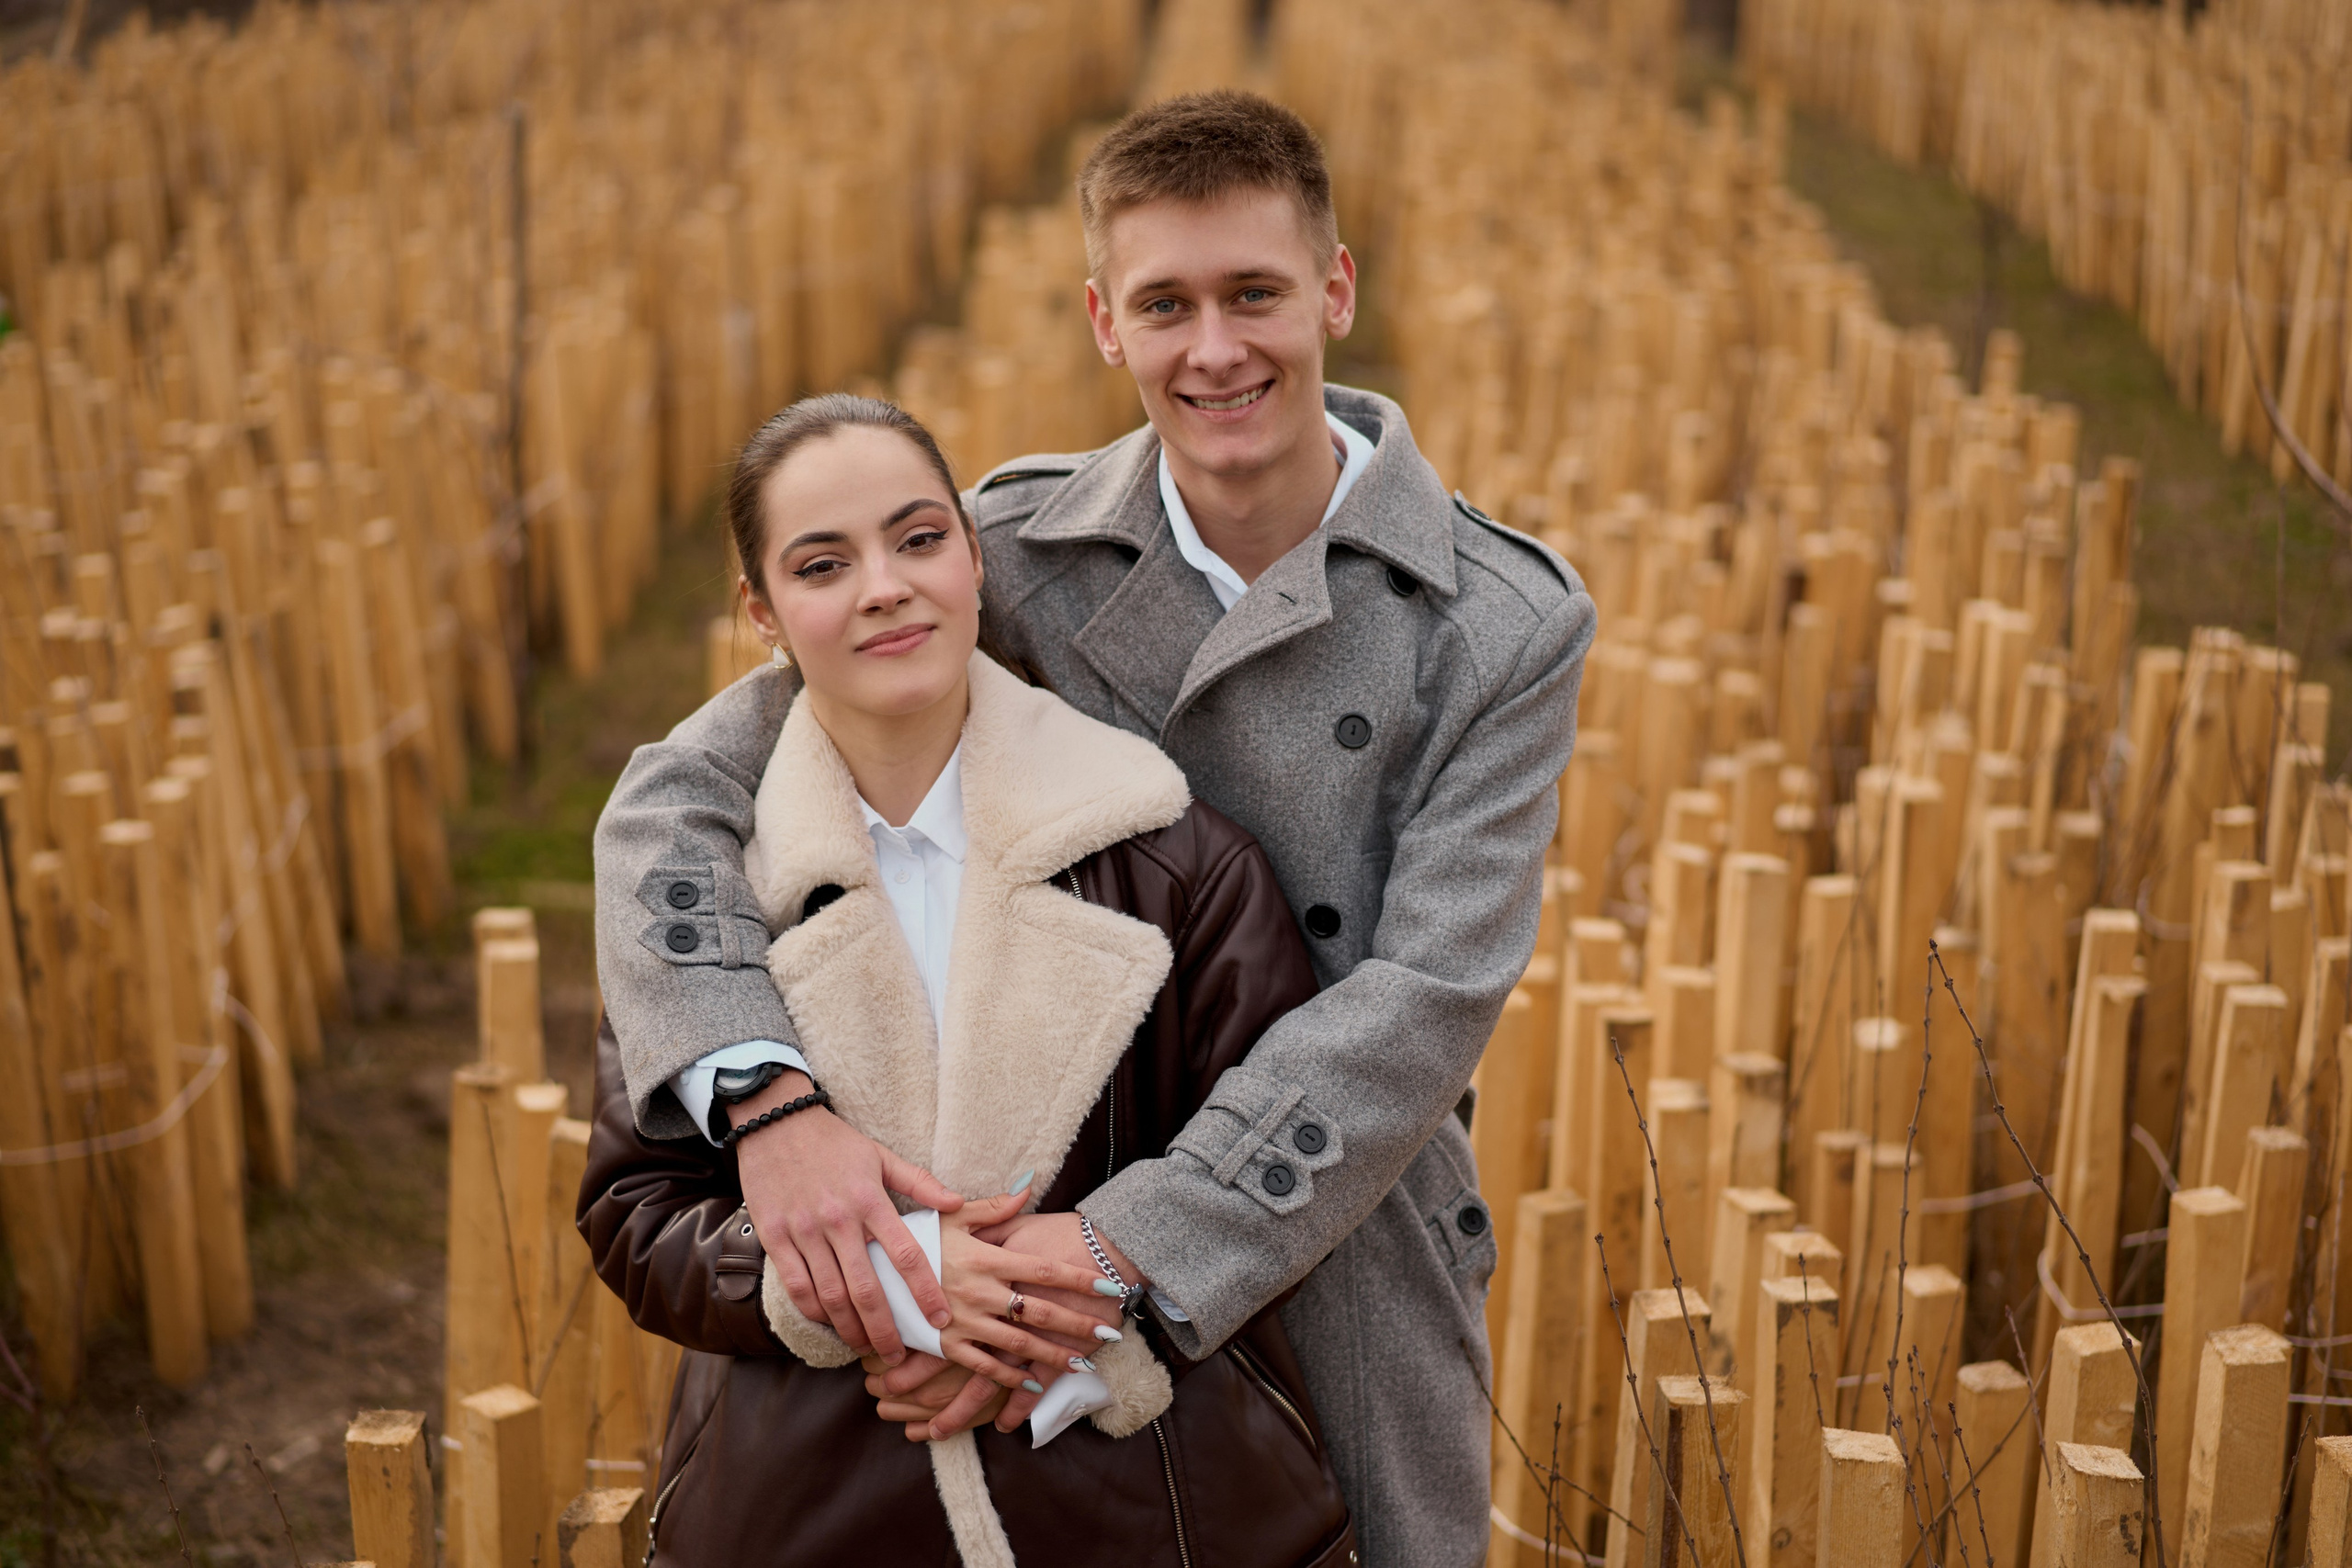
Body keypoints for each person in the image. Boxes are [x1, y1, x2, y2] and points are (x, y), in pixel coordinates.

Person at [594, 89, 1595, 1566]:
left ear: (1335, 289)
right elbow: (677, 797)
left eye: (1255, 292)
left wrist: (1131, 1245)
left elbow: (1426, 997)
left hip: (1333, 1208)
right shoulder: (1006, 548)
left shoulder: (1499, 621)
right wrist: (769, 1103)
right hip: (1022, 1211)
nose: (1216, 349)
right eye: (1165, 304)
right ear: (1103, 324)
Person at [582, 392, 1355, 1565]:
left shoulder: (1181, 862)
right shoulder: (698, 896)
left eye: (918, 539)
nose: (884, 587)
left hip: (1151, 1505)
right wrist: (890, 1290)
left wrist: (1059, 1324)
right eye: (823, 564)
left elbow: (1276, 1183)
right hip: (804, 1507)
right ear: (762, 612)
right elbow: (637, 1214)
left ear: (974, 558)